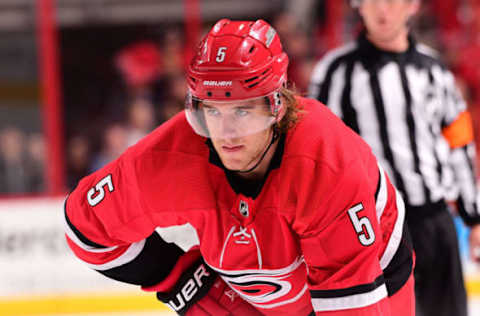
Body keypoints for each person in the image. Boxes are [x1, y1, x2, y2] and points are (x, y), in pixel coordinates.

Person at [64, 19, 415, 316]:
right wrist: (180, 278)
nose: (226, 133)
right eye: (212, 111)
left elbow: (351, 302)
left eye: (243, 111)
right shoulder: (175, 156)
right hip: (260, 291)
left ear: (277, 105)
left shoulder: (326, 162)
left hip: (375, 273)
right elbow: (86, 226)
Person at [308, 1, 480, 316]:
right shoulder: (335, 72)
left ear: (412, 6)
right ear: (359, 7)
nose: (382, 11)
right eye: (372, 1)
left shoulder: (434, 69)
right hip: (378, 229)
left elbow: (459, 141)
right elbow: (317, 155)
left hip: (434, 221)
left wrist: (473, 217)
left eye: (391, 1)